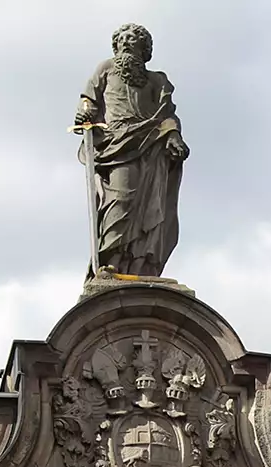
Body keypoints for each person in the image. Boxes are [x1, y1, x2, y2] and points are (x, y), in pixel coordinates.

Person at [75, 23, 188, 278]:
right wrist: (85, 113)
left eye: (133, 39)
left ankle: (140, 265)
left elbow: (167, 114)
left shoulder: (157, 80)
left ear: (145, 49)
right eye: (122, 39)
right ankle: (110, 262)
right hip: (116, 144)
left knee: (151, 206)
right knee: (121, 199)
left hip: (150, 146)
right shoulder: (106, 69)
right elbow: (89, 99)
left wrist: (173, 135)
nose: (126, 42)